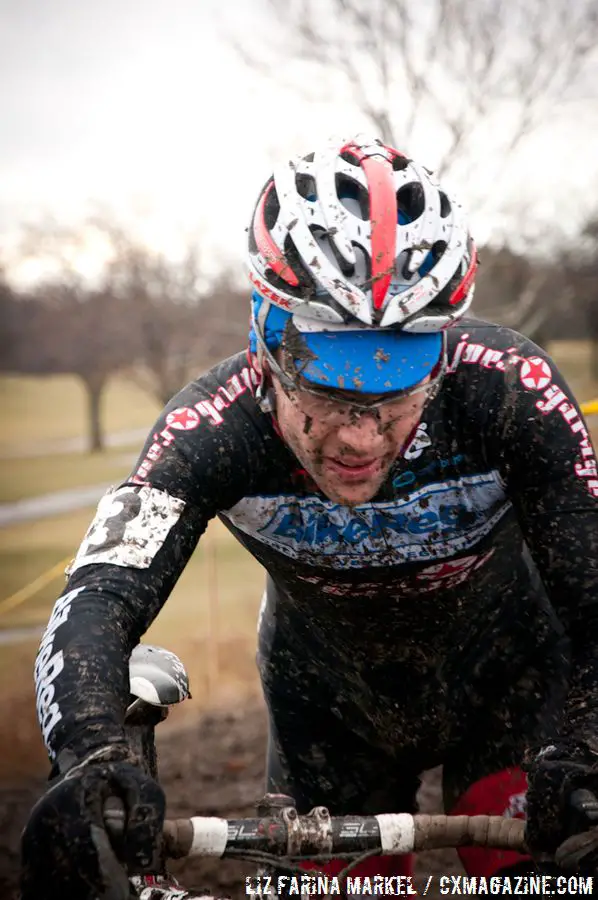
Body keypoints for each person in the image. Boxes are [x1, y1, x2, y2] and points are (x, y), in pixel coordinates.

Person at [21, 135, 598, 898]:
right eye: (325, 394)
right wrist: (94, 756)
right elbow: (98, 595)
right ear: (265, 338)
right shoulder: (211, 430)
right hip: (328, 716)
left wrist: (589, 739)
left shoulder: (511, 392)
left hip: (517, 687)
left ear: (442, 351)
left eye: (396, 393)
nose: (360, 437)